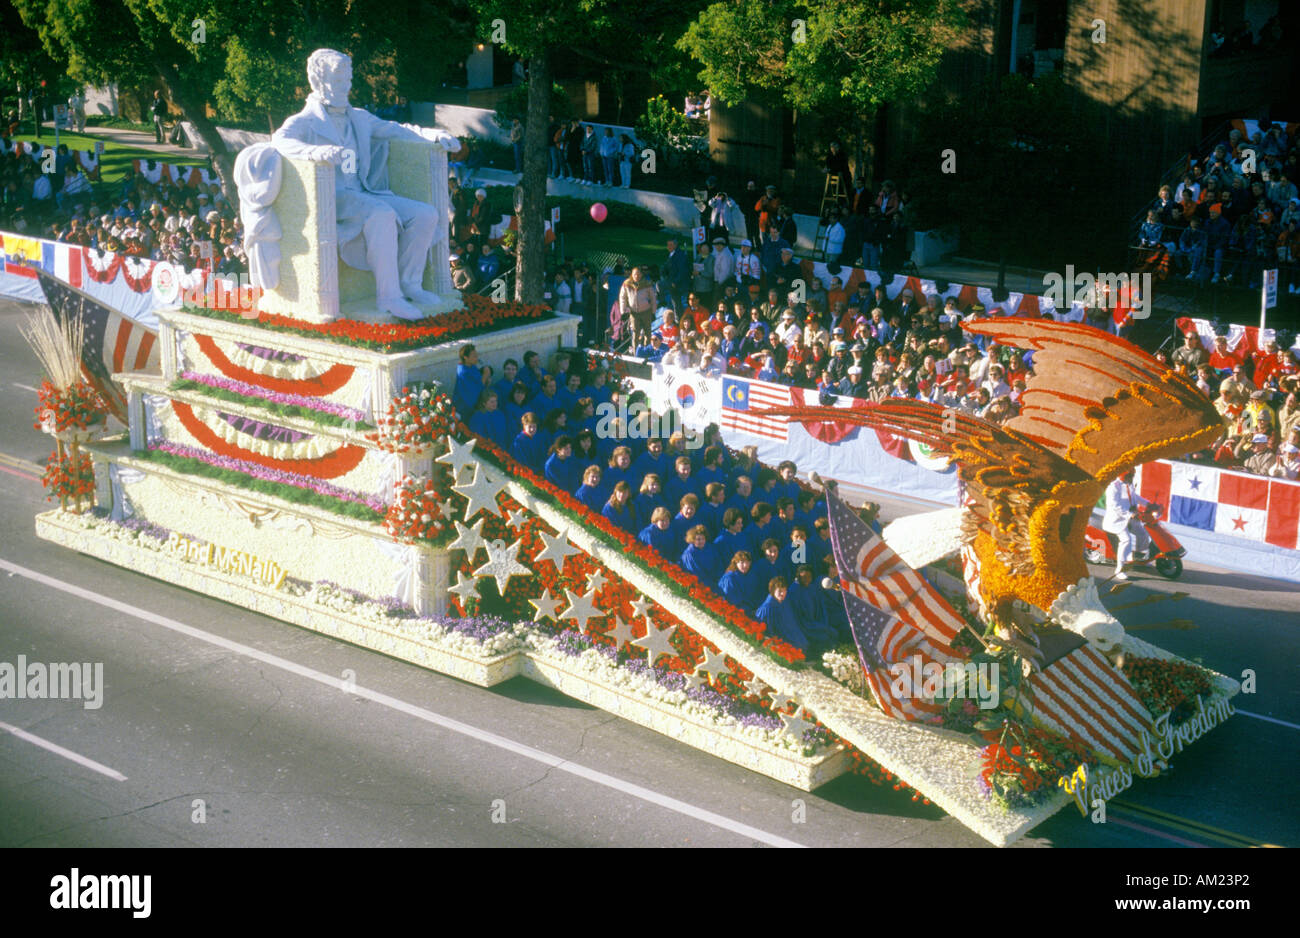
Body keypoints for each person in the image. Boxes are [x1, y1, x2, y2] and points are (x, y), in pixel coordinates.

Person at [268, 49, 459, 320]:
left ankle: (409, 283)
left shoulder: (359, 117)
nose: (345, 87)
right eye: (338, 80)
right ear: (318, 81)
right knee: (381, 214)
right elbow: (280, 141)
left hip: (364, 192)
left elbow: (396, 129)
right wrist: (315, 152)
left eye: (348, 80)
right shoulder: (304, 122)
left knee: (425, 214)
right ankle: (388, 297)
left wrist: (432, 135)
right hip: (333, 197)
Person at [1102, 470, 1151, 581]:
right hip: (1117, 521)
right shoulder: (1113, 487)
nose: (1132, 477)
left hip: (1130, 518)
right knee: (1126, 540)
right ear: (1124, 475)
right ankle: (1119, 569)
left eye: (1133, 475)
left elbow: (1135, 497)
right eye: (1130, 476)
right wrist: (1130, 515)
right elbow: (1115, 506)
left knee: (1143, 533)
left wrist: (1148, 504)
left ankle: (1139, 558)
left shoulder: (1129, 484)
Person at [755, 577, 809, 653]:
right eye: (780, 591)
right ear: (773, 591)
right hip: (778, 639)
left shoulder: (784, 601)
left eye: (784, 590)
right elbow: (769, 631)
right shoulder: (767, 608)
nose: (783, 593)